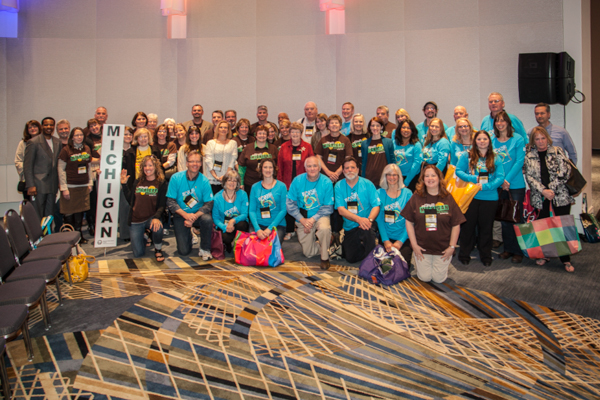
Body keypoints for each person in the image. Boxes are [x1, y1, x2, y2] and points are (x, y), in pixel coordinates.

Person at [401, 165, 465, 283]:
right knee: (424, 278)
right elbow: (409, 221)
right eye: (427, 176)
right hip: (422, 247)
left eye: (433, 175)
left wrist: (451, 247)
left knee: (438, 279)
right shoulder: (416, 197)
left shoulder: (448, 198)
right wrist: (414, 245)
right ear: (423, 179)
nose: (430, 178)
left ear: (439, 178)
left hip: (443, 248)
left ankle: (441, 265)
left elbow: (456, 224)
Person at [524, 126, 575, 272]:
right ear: (533, 141)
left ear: (547, 138)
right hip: (540, 197)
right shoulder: (529, 156)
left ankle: (565, 259)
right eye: (537, 139)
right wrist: (543, 190)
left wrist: (551, 189)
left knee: (561, 227)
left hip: (560, 195)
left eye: (543, 138)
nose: (540, 142)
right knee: (544, 228)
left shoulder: (557, 151)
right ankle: (545, 255)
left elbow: (565, 171)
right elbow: (529, 177)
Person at [456, 130, 505, 266]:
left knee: (486, 228)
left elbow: (500, 177)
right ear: (475, 141)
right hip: (470, 196)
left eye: (485, 139)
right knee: (468, 227)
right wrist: (473, 178)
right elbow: (458, 171)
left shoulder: (495, 158)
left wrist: (486, 186)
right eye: (479, 139)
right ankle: (464, 254)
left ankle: (485, 255)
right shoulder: (467, 155)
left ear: (489, 141)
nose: (482, 141)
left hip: (489, 197)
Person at [286, 156, 334, 270]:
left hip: (320, 215)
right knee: (308, 253)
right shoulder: (297, 180)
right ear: (305, 168)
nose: (312, 168)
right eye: (309, 166)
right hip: (303, 217)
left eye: (315, 166)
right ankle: (328, 242)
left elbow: (328, 207)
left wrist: (312, 220)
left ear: (320, 167)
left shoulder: (326, 182)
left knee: (324, 229)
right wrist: (303, 221)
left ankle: (324, 257)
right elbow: (290, 204)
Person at [166, 151, 214, 260]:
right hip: (181, 214)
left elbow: (209, 204)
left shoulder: (204, 180)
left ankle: (205, 249)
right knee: (183, 252)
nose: (195, 164)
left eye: (197, 161)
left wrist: (194, 216)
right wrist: (186, 215)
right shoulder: (175, 178)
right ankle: (191, 234)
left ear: (201, 164)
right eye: (192, 161)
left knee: (207, 219)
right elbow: (170, 202)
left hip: (198, 214)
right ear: (187, 163)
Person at [492, 111, 526, 263]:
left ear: (508, 123)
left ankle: (518, 251)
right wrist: (501, 181)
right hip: (500, 185)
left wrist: (507, 180)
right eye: (497, 121)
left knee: (516, 218)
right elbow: (491, 162)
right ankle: (508, 249)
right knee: (504, 218)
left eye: (502, 120)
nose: (500, 123)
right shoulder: (493, 141)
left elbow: (519, 162)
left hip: (516, 185)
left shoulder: (517, 139)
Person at [121, 155, 168, 262]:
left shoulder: (161, 182)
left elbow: (162, 204)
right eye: (145, 166)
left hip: (151, 217)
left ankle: (158, 248)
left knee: (158, 227)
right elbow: (130, 200)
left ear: (155, 167)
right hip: (136, 219)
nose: (147, 168)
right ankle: (146, 234)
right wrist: (124, 185)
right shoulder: (138, 181)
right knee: (138, 253)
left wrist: (156, 217)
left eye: (150, 165)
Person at [334, 156, 381, 263]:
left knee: (367, 233)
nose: (349, 170)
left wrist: (368, 220)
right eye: (346, 168)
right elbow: (341, 210)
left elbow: (376, 206)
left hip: (367, 224)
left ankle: (371, 260)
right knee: (350, 258)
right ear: (343, 170)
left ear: (358, 170)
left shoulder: (368, 184)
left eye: (352, 167)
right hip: (350, 226)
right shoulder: (338, 186)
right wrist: (359, 219)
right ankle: (370, 249)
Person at [277, 122, 314, 240]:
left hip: (303, 182)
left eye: (297, 132)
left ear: (301, 133)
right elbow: (279, 166)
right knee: (289, 206)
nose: (294, 134)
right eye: (292, 132)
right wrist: (280, 182)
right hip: (287, 182)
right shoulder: (283, 147)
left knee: (303, 205)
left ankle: (303, 229)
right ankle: (289, 230)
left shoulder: (307, 147)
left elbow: (312, 164)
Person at [58, 127, 93, 243]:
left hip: (83, 186)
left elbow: (88, 167)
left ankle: (79, 236)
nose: (79, 137)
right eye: (77, 135)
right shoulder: (66, 150)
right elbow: (61, 169)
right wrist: (64, 188)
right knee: (69, 213)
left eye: (81, 135)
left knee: (79, 213)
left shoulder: (86, 148)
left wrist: (90, 182)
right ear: (72, 137)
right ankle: (69, 238)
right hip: (70, 186)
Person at [24, 117, 62, 219]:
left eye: (51, 125)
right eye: (46, 125)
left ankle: (48, 234)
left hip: (52, 184)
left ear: (54, 127)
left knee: (49, 214)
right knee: (37, 214)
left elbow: (58, 164)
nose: (48, 127)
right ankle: (37, 235)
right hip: (38, 184)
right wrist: (31, 185)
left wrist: (59, 182)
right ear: (42, 126)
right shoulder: (33, 142)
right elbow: (27, 166)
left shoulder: (58, 142)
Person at [376, 164, 413, 266]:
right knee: (384, 266)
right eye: (389, 175)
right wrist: (386, 240)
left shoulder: (407, 193)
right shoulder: (379, 193)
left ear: (399, 176)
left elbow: (410, 220)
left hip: (403, 236)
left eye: (395, 175)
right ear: (385, 176)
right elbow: (379, 219)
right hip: (386, 236)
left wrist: (400, 242)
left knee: (402, 265)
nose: (392, 177)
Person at [249, 158, 288, 244]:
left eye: (270, 167)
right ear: (261, 169)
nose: (268, 170)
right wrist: (257, 229)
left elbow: (283, 210)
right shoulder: (255, 187)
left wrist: (269, 229)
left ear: (274, 169)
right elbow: (251, 211)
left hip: (277, 225)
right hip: (258, 224)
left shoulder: (282, 186)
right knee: (256, 250)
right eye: (265, 167)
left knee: (271, 249)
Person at [212, 170, 249, 253]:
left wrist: (232, 221)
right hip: (224, 225)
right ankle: (228, 244)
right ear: (225, 181)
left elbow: (244, 214)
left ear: (237, 183)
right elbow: (215, 218)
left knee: (242, 225)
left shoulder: (243, 194)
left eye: (234, 180)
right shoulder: (217, 197)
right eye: (229, 180)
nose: (232, 183)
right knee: (226, 238)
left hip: (238, 223)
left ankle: (239, 244)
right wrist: (225, 227)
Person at [238, 125, 278, 196]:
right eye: (259, 133)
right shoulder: (248, 148)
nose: (262, 136)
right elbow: (241, 168)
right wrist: (241, 183)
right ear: (255, 135)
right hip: (250, 184)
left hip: (269, 183)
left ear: (267, 135)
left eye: (264, 133)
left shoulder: (273, 148)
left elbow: (278, 166)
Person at [315, 114, 352, 185]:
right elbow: (318, 157)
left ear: (340, 126)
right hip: (325, 176)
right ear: (328, 126)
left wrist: (337, 173)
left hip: (341, 176)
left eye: (336, 123)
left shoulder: (346, 140)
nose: (334, 125)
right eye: (331, 123)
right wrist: (328, 172)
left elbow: (348, 158)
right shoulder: (323, 139)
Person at [204, 120, 238, 194]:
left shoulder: (233, 143)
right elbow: (208, 161)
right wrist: (216, 177)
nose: (223, 129)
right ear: (217, 129)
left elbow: (232, 161)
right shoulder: (210, 143)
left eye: (225, 128)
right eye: (221, 127)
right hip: (212, 179)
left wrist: (225, 176)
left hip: (228, 179)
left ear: (228, 130)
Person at [361, 117, 395, 187]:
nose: (375, 128)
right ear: (370, 127)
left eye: (377, 125)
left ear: (381, 127)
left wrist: (393, 175)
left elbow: (392, 161)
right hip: (369, 178)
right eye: (373, 125)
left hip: (384, 178)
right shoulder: (364, 143)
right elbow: (364, 162)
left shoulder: (388, 142)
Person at [393, 119, 422, 192]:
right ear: (399, 129)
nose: (406, 130)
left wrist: (406, 182)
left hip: (411, 178)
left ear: (412, 130)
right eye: (403, 127)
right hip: (396, 177)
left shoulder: (416, 144)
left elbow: (416, 164)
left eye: (408, 128)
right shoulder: (394, 143)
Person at [15, 120, 42, 200]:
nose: (32, 129)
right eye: (30, 127)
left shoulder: (44, 142)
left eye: (35, 126)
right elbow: (18, 161)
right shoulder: (23, 143)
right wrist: (28, 171)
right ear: (27, 130)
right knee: (29, 205)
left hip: (42, 180)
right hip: (28, 180)